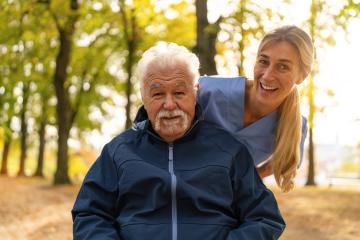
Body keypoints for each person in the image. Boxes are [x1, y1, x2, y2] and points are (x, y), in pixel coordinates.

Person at [72, 42, 285, 239]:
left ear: (195, 93)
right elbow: (90, 214)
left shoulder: (230, 151)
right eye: (157, 94)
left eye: (179, 92)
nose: (170, 104)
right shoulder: (118, 152)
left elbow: (264, 218)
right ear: (143, 96)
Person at [197, 25, 314, 192]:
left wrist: (241, 183)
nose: (267, 75)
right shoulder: (208, 91)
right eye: (263, 61)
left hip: (219, 204)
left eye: (283, 67)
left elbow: (280, 163)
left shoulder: (295, 127)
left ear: (302, 75)